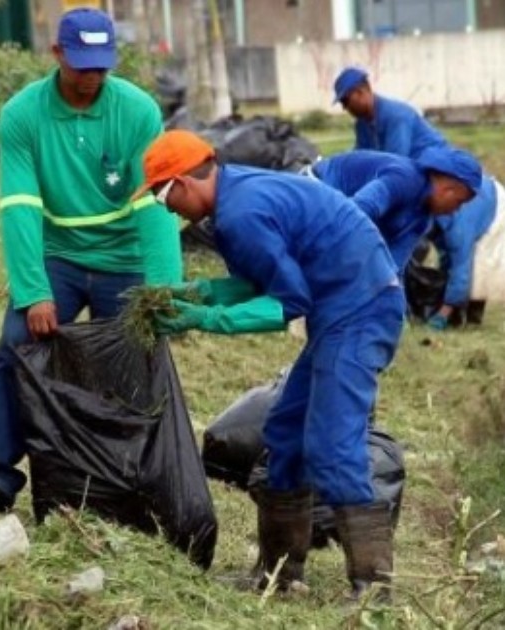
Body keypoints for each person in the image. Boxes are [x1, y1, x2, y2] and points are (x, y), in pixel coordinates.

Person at [137, 130, 404, 599]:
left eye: (161, 194)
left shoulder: (240, 214)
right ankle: (280, 575)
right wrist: (198, 293)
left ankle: (374, 588)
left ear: (182, 182)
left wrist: (207, 318)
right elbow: (265, 279)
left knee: (331, 445)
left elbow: (288, 301)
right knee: (284, 432)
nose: (166, 207)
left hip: (361, 309)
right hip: (338, 308)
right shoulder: (236, 194)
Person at [0, 8, 183, 512]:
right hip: (58, 256)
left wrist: (163, 290)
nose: (92, 77)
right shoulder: (23, 115)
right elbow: (20, 207)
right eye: (82, 65)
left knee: (134, 366)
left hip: (123, 258)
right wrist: (33, 291)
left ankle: (130, 482)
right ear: (57, 54)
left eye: (101, 66)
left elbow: (153, 204)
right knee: (16, 350)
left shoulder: (138, 111)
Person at [307, 147, 482, 273]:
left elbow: (392, 268)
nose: (455, 211)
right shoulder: (405, 178)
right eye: (459, 202)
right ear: (448, 189)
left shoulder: (421, 219)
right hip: (311, 194)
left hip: (336, 217)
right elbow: (355, 212)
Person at [426, 174, 505, 330]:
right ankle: (456, 311)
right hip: (471, 195)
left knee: (482, 263)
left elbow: (460, 267)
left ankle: (473, 317)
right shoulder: (430, 216)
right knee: (448, 258)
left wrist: (443, 313)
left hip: (493, 199)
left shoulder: (458, 230)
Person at [333, 67, 447, 159]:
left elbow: (395, 163)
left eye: (345, 101)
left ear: (361, 92)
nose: (344, 107)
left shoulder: (396, 116)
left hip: (438, 170)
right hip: (412, 170)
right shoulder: (362, 124)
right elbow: (361, 157)